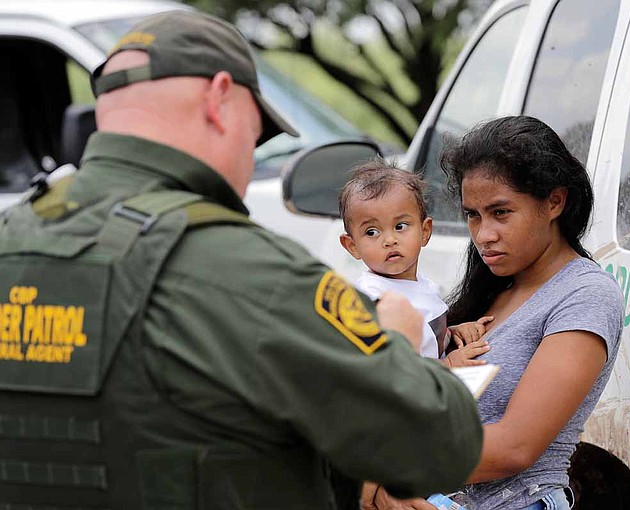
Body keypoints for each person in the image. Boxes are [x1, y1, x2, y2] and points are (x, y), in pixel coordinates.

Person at [0, 11, 483, 510]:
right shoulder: (250, 270)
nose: (250, 163)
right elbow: (444, 444)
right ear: (219, 100)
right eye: (254, 137)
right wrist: (397, 349)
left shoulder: (11, 239)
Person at [367, 116, 624, 510]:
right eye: (473, 215)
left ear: (555, 201)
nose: (484, 234)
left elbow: (515, 447)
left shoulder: (584, 294)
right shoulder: (490, 289)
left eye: (501, 212)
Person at [338, 160, 492, 367]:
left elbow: (424, 339)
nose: (389, 240)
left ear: (425, 231)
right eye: (372, 232)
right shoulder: (373, 299)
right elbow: (393, 367)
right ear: (352, 245)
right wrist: (448, 364)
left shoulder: (422, 285)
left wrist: (452, 332)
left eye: (400, 226)